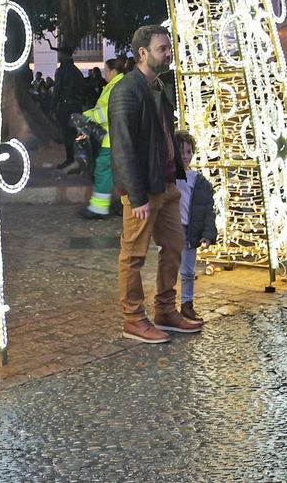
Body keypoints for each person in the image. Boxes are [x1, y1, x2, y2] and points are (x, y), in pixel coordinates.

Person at [109, 25, 198, 343]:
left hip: (167, 183)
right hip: (143, 189)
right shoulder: (126, 89)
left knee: (174, 245)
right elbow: (122, 147)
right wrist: (136, 196)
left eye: (169, 47)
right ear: (143, 53)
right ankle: (133, 319)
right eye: (163, 48)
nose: (169, 53)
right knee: (133, 255)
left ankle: (165, 310)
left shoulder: (159, 85)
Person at [171, 130, 217, 325]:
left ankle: (187, 304)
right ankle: (166, 305)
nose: (185, 156)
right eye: (181, 152)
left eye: (188, 152)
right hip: (171, 229)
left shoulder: (198, 181)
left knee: (188, 271)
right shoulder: (168, 177)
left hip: (189, 230)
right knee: (168, 269)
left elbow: (207, 210)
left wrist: (207, 234)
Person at [80, 57, 127, 219]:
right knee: (118, 171)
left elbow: (110, 111)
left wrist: (90, 117)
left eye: (106, 71)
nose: (104, 74)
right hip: (115, 137)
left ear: (114, 72)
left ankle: (100, 207)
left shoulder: (117, 87)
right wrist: (87, 115)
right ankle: (120, 206)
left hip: (114, 137)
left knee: (103, 169)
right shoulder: (116, 85)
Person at [54, 50, 86, 171]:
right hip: (76, 106)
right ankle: (77, 159)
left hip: (65, 105)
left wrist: (53, 106)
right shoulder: (77, 71)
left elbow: (57, 89)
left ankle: (70, 159)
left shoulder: (61, 71)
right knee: (76, 133)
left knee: (67, 134)